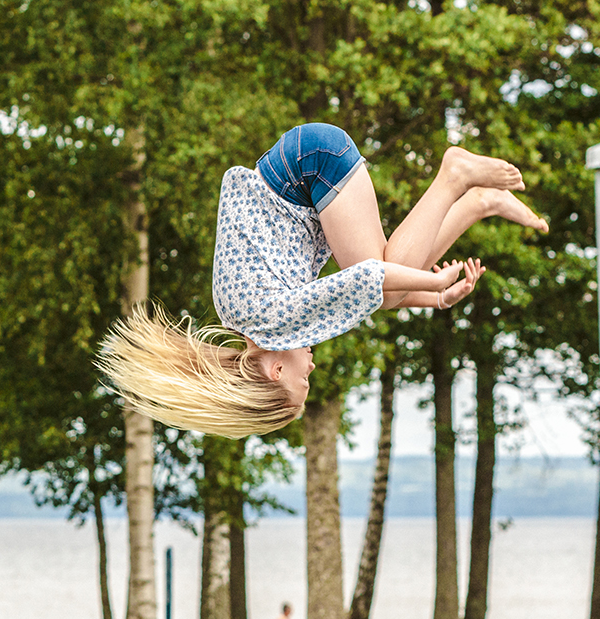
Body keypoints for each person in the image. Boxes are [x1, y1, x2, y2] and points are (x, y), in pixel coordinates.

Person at [98, 123, 545, 437]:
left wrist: (431, 286)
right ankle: (477, 204)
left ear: (275, 370)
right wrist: (437, 299)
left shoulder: (274, 320)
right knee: (389, 295)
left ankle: (456, 176)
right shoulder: (255, 322)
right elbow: (362, 297)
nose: (311, 368)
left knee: (386, 277)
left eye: (303, 380)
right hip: (301, 164)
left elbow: (369, 277)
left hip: (311, 164)